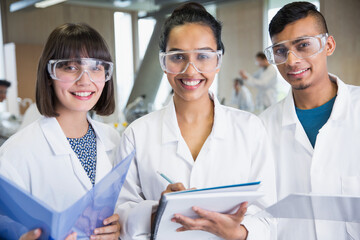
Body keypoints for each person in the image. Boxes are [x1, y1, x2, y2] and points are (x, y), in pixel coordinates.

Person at [116, 2, 276, 240]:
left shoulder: (250, 129)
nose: (191, 71)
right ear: (164, 62)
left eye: (203, 56)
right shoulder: (137, 134)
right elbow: (120, 216)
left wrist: (240, 233)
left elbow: (269, 216)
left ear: (218, 60)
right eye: (178, 56)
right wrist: (156, 212)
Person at [0, 23, 121, 239]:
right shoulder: (16, 152)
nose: (85, 80)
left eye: (96, 67)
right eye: (70, 67)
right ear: (49, 74)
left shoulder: (113, 138)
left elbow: (124, 206)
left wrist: (119, 226)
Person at [259, 2, 360, 240]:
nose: (292, 61)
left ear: (329, 45)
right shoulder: (263, 127)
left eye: (303, 45)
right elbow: (259, 212)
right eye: (281, 51)